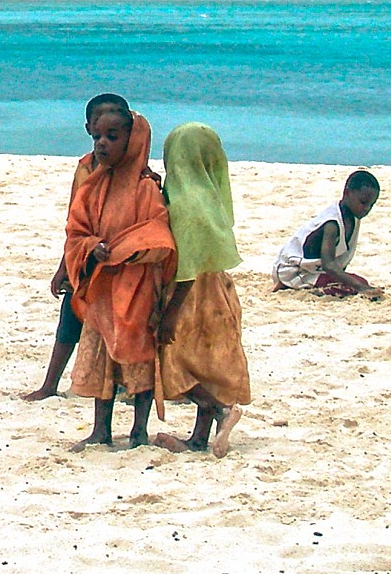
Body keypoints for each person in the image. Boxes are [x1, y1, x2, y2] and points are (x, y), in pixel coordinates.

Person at [58, 94, 175, 449]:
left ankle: (139, 429)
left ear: (131, 140)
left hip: (137, 288)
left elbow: (159, 236)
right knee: (101, 357)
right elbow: (76, 230)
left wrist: (124, 252)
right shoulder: (94, 186)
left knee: (139, 357)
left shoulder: (146, 188)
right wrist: (91, 248)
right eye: (97, 137)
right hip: (101, 288)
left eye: (112, 137)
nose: (102, 144)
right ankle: (101, 429)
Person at [150, 123, 250, 457]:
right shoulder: (210, 196)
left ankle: (218, 409)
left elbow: (188, 263)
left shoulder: (185, 200)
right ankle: (198, 438)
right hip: (217, 290)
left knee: (170, 360)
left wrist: (170, 313)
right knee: (203, 364)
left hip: (189, 293)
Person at [273, 171, 383, 297]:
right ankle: (299, 287)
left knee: (359, 282)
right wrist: (361, 287)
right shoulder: (332, 224)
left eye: (371, 205)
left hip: (315, 270)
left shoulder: (354, 216)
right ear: (347, 193)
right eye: (363, 203)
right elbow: (329, 265)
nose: (366, 209)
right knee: (352, 286)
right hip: (295, 270)